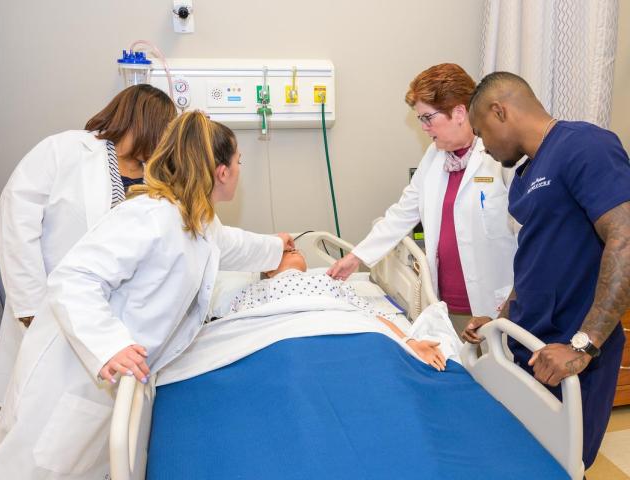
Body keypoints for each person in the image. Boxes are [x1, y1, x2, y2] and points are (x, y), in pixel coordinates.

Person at [0, 112, 294, 479]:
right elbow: (73, 278)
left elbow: (232, 245)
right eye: (239, 161)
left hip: (118, 384)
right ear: (222, 172)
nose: (240, 169)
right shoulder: (149, 216)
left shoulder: (195, 219)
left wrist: (277, 247)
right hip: (74, 376)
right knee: (38, 468)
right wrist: (109, 345)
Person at [464, 71, 630, 469]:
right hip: (527, 343)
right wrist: (497, 323)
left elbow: (624, 241)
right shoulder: (524, 176)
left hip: (567, 351)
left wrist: (583, 346)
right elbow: (537, 263)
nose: (484, 147)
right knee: (520, 459)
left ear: (499, 111)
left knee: (559, 465)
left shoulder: (585, 146)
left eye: (481, 132)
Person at [0, 84, 177, 408]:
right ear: (145, 123)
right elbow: (17, 219)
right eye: (164, 130)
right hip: (47, 313)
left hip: (111, 329)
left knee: (89, 429)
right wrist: (32, 308)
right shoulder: (64, 151)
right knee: (33, 422)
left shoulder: (155, 179)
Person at [327, 63, 517, 337]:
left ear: (460, 112)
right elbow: (402, 213)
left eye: (428, 118)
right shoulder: (435, 156)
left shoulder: (499, 158)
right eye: (421, 120)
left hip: (494, 304)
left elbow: (527, 234)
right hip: (446, 301)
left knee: (496, 374)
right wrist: (356, 257)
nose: (425, 128)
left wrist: (509, 303)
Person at [231, 249, 447, 370]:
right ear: (267, 270)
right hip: (288, 341)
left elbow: (370, 316)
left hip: (344, 336)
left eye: (294, 248)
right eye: (286, 251)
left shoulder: (330, 282)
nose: (294, 248)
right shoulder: (257, 288)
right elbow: (239, 327)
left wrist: (410, 342)